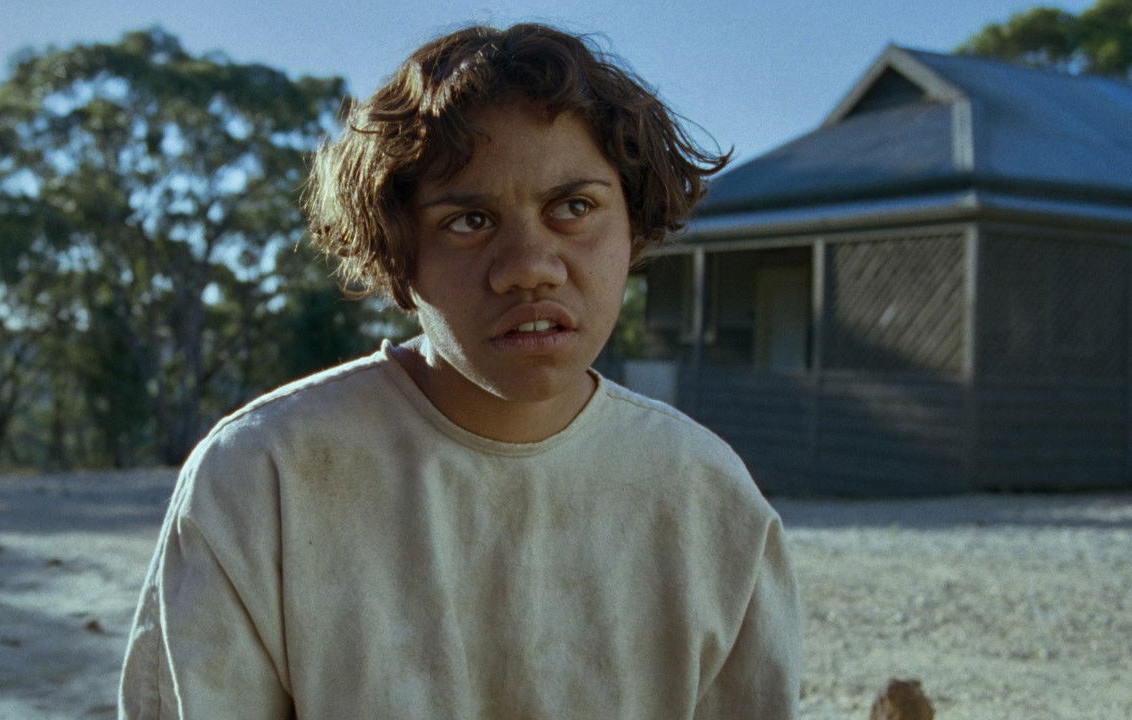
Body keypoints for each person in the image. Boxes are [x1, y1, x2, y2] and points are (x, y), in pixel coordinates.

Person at [119, 22, 801, 719]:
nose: (530, 266)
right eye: (469, 220)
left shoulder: (707, 498)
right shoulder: (264, 476)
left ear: (634, 228)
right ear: (398, 255)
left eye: (574, 208)